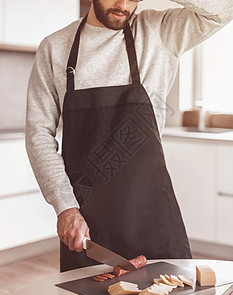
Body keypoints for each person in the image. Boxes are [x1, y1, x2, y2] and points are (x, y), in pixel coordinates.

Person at [26, 0, 233, 272]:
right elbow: (38, 134)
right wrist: (66, 208)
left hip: (153, 220)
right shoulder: (55, 47)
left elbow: (224, 9)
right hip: (87, 227)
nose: (124, 5)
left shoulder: (158, 32)